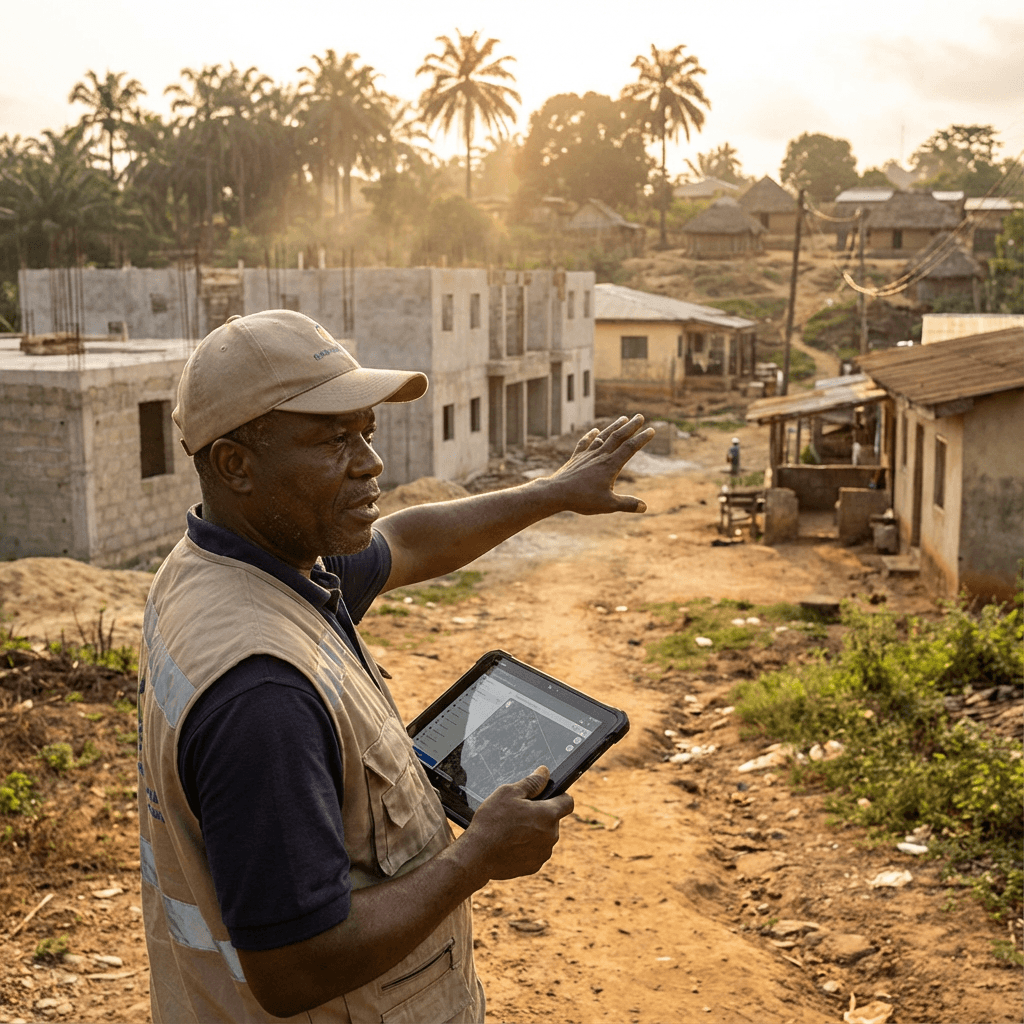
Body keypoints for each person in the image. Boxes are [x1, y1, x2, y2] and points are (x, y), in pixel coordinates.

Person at [137, 309, 654, 1023]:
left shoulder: (223, 561)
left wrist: (552, 492)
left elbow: (404, 544)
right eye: (334, 439)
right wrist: (474, 859)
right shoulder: (261, 694)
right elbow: (295, 969)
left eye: (368, 434)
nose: (371, 463)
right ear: (236, 465)